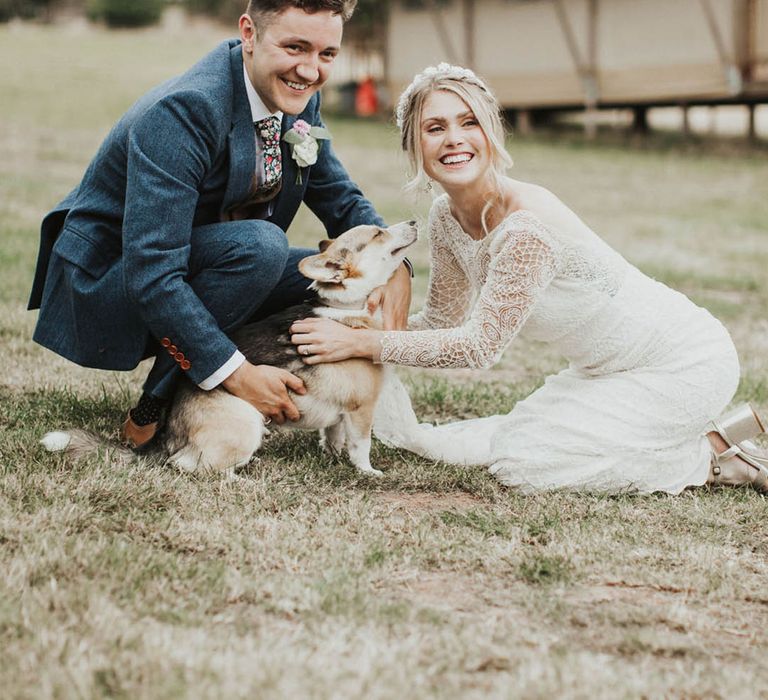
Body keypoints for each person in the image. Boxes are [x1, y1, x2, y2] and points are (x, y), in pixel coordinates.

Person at [289, 62, 768, 494]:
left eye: (468, 122)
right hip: (603, 371)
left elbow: (479, 346)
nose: (453, 139)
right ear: (415, 146)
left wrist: (363, 345)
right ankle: (696, 432)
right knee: (499, 439)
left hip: (683, 362)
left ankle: (712, 454)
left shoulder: (525, 228)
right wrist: (358, 326)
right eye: (435, 128)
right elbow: (440, 320)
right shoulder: (444, 217)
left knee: (524, 464)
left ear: (491, 132)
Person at [28, 0, 411, 449]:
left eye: (326, 54)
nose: (310, 71)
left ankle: (256, 387)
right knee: (260, 249)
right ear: (248, 33)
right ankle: (155, 407)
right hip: (112, 282)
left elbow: (339, 197)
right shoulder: (184, 111)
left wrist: (395, 268)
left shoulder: (296, 98)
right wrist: (237, 373)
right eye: (295, 47)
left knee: (320, 271)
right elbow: (151, 272)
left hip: (200, 264)